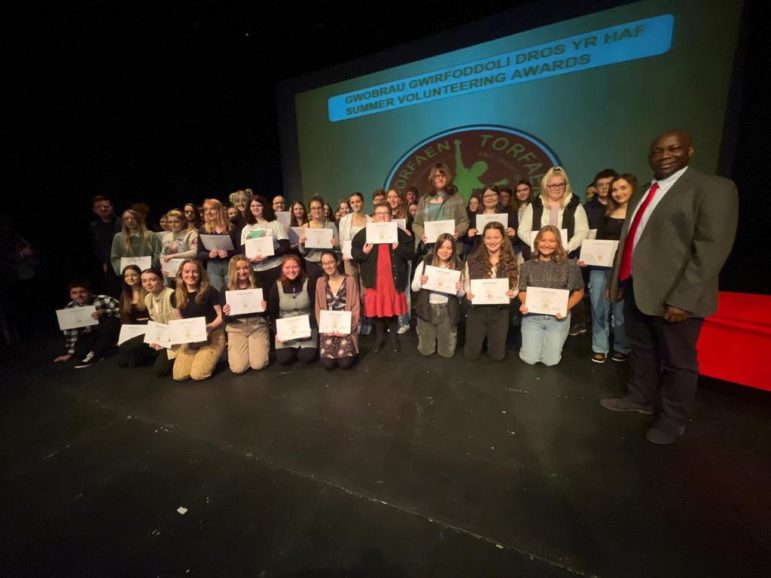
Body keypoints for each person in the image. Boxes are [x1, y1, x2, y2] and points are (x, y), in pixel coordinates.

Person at [600, 130, 739, 444]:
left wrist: (684, 299)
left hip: (677, 295)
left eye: (673, 149)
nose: (664, 155)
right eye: (657, 150)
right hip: (637, 288)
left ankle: (673, 419)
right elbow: (630, 240)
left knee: (678, 362)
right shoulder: (643, 191)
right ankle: (639, 398)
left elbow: (711, 248)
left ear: (689, 151)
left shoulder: (713, 188)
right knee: (643, 350)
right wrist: (617, 281)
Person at [517, 167, 590, 336]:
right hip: (539, 258)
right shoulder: (535, 205)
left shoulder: (575, 205)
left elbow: (582, 231)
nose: (556, 188)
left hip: (565, 257)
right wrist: (538, 246)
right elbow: (522, 230)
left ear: (566, 185)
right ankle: (538, 324)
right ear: (545, 186)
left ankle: (566, 328)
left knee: (567, 292)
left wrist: (566, 248)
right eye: (552, 185)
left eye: (560, 185)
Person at [579, 174, 634, 364]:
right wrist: (587, 256)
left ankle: (621, 346)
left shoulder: (637, 215)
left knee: (620, 312)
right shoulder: (606, 213)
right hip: (600, 268)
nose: (618, 193)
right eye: (615, 190)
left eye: (623, 188)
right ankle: (599, 347)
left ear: (632, 189)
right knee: (598, 308)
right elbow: (596, 241)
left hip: (625, 269)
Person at [351, 203, 414, 352]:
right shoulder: (364, 233)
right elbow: (355, 252)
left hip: (393, 279)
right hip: (374, 279)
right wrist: (364, 252)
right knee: (377, 310)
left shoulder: (400, 233)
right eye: (379, 213)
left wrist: (398, 248)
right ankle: (379, 339)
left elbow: (411, 253)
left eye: (386, 213)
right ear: (374, 217)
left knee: (391, 309)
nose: (382, 216)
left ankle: (393, 337)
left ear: (391, 216)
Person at [518, 226, 585, 366]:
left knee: (550, 361)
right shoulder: (527, 266)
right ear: (537, 242)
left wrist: (566, 307)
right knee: (529, 359)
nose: (547, 244)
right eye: (543, 240)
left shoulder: (570, 266)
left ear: (558, 243)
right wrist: (525, 303)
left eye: (552, 241)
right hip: (533, 317)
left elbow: (579, 291)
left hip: (557, 318)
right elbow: (522, 290)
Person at [463, 222, 518, 361]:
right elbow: (466, 282)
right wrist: (468, 293)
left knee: (497, 357)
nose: (492, 241)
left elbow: (516, 285)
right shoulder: (472, 259)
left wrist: (513, 293)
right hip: (477, 311)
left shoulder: (512, 261)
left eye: (496, 237)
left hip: (500, 312)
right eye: (488, 238)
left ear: (503, 238)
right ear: (483, 239)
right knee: (471, 355)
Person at [171, 259, 225, 381]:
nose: (191, 275)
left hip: (212, 334)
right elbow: (179, 319)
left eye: (195, 272)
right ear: (181, 274)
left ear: (200, 274)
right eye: (187, 271)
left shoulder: (210, 291)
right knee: (179, 375)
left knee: (198, 375)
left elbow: (221, 315)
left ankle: (217, 355)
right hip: (191, 338)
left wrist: (210, 327)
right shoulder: (175, 295)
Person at [412, 233, 465, 358]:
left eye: (449, 248)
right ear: (436, 248)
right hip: (427, 308)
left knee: (447, 353)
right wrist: (421, 281)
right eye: (441, 247)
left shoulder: (458, 265)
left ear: (453, 250)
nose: (445, 251)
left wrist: (459, 289)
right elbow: (414, 288)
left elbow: (462, 294)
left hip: (447, 309)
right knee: (426, 351)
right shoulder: (426, 262)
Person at [53, 279, 120, 367]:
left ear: (90, 292)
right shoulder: (69, 309)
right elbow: (70, 333)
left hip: (109, 331)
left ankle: (97, 353)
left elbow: (122, 312)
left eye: (82, 292)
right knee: (80, 353)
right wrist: (69, 353)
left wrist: (104, 312)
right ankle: (104, 350)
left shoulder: (105, 299)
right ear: (70, 295)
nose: (79, 295)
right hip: (90, 335)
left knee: (112, 320)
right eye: (75, 293)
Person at [221, 255, 270, 374]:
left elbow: (267, 312)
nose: (242, 272)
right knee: (238, 368)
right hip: (236, 329)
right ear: (232, 270)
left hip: (257, 327)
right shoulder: (225, 289)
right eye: (238, 269)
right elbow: (225, 318)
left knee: (258, 364)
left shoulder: (259, 285)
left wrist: (265, 308)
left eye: (245, 268)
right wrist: (226, 312)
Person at [267, 254, 318, 365]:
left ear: (300, 267)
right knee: (285, 359)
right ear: (282, 268)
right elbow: (273, 313)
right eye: (287, 267)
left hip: (307, 329)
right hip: (285, 331)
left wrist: (309, 327)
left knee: (307, 358)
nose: (291, 270)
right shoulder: (276, 285)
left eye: (295, 267)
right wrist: (277, 332)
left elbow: (316, 308)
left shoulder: (309, 282)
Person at [315, 251, 360, 370]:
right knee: (328, 365)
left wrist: (348, 328)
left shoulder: (349, 281)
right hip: (328, 330)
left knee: (345, 364)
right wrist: (324, 328)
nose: (328, 266)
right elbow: (318, 308)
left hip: (346, 329)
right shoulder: (320, 282)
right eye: (324, 263)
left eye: (331, 262)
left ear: (337, 262)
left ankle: (352, 350)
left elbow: (355, 307)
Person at [412, 162, 469, 256]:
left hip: (451, 249)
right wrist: (422, 234)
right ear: (432, 178)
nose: (440, 178)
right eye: (436, 176)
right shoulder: (424, 199)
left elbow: (464, 221)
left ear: (448, 177)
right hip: (430, 250)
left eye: (443, 175)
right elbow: (417, 223)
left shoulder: (456, 197)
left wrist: (458, 231)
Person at [240, 194, 291, 291]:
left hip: (275, 267)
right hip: (255, 270)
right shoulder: (246, 229)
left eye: (259, 205)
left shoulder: (275, 224)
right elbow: (243, 251)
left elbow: (285, 246)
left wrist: (269, 255)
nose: (256, 208)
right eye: (253, 206)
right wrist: (251, 259)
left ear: (264, 207)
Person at [386, 188, 415, 334]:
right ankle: (392, 320)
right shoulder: (383, 217)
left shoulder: (407, 216)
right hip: (388, 258)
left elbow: (412, 240)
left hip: (403, 257)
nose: (392, 199)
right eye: (389, 197)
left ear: (399, 199)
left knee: (404, 290)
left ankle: (404, 321)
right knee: (391, 290)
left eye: (395, 197)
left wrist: (409, 234)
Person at [141, 267, 178, 377]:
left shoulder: (172, 295)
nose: (148, 284)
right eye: (144, 281)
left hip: (176, 338)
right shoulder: (148, 298)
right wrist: (154, 339)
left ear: (161, 280)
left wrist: (166, 340)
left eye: (152, 279)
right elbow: (155, 321)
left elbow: (181, 323)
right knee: (126, 349)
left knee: (159, 371)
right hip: (162, 337)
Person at [196, 198, 239, 292]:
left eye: (212, 209)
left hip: (230, 264)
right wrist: (208, 255)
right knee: (217, 293)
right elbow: (199, 254)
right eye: (206, 210)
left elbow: (240, 251)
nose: (208, 212)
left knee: (232, 292)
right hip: (213, 266)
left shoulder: (231, 228)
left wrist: (228, 253)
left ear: (219, 210)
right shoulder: (203, 229)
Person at [116, 265, 153, 368]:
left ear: (140, 276)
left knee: (132, 363)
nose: (130, 278)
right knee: (123, 363)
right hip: (135, 329)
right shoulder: (125, 295)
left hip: (149, 328)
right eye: (127, 276)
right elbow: (124, 319)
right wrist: (124, 335)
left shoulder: (148, 291)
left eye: (134, 275)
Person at [299, 195, 339, 283]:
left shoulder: (331, 225)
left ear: (323, 209)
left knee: (330, 288)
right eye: (313, 208)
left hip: (329, 263)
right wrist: (302, 243)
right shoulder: (305, 227)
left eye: (319, 208)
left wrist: (336, 244)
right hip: (312, 263)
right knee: (314, 289)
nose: (316, 210)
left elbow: (338, 247)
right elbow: (302, 251)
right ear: (310, 210)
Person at [110, 209, 162, 275]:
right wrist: (124, 271)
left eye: (133, 218)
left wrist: (151, 269)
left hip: (148, 274)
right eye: (126, 219)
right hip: (127, 275)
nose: (130, 221)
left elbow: (158, 254)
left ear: (138, 219)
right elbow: (115, 258)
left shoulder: (151, 235)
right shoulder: (118, 237)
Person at [89, 195, 121, 296]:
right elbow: (96, 246)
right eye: (99, 207)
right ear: (94, 210)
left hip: (125, 261)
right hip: (109, 266)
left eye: (106, 206)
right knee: (114, 292)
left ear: (112, 207)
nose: (103, 209)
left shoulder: (123, 222)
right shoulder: (94, 226)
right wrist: (103, 261)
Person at [160, 209, 198, 283]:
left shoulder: (191, 234)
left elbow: (195, 252)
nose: (173, 224)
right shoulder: (166, 236)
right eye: (170, 222)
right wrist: (163, 266)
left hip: (187, 271)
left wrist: (174, 256)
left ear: (183, 221)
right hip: (169, 272)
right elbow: (162, 254)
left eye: (176, 222)